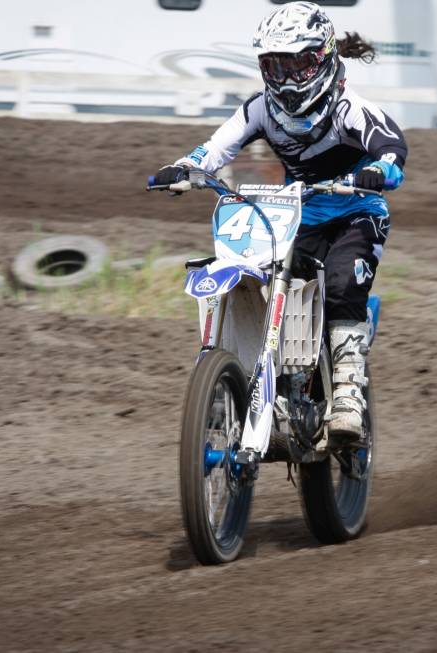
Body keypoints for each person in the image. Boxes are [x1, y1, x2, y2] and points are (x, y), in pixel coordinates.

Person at [151, 1, 408, 443]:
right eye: (275, 66)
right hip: (298, 214)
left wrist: (379, 171)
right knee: (269, 282)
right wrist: (184, 168)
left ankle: (348, 393)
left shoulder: (349, 109)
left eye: (298, 65)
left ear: (323, 59)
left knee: (344, 284)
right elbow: (216, 148)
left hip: (355, 213)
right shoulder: (261, 110)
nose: (286, 79)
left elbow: (392, 148)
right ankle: (255, 382)